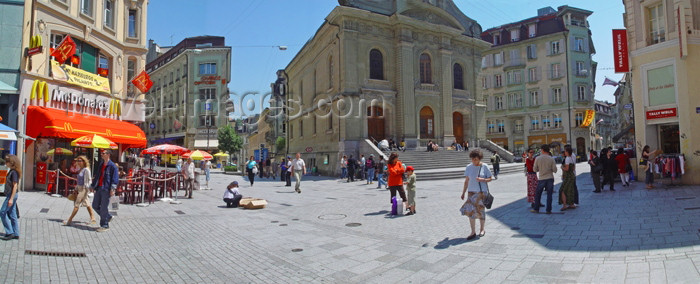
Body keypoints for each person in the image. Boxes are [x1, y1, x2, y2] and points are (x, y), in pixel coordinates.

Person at [460, 150, 493, 240]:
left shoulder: (484, 166)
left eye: (476, 159)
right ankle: (472, 231)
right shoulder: (469, 167)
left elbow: (490, 178)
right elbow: (466, 181)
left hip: (482, 193)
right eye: (472, 159)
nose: (474, 161)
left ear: (479, 159)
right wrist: (463, 193)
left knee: (481, 211)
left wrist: (483, 179)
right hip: (471, 193)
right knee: (471, 212)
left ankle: (482, 229)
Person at [91, 150, 119, 232]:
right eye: (101, 153)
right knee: (95, 205)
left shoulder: (112, 166)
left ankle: (104, 225)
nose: (101, 155)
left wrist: (113, 189)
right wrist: (93, 186)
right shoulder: (101, 164)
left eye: (103, 153)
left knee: (103, 207)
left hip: (106, 189)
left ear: (108, 155)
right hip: (99, 188)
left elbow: (115, 179)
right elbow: (97, 176)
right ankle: (108, 216)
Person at [63, 156, 96, 226]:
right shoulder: (80, 169)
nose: (78, 162)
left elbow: (89, 180)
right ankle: (93, 218)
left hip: (84, 189)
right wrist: (76, 189)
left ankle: (69, 220)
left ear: (84, 161)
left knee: (76, 205)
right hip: (80, 188)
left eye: (80, 160)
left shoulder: (86, 170)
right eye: (78, 160)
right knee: (87, 204)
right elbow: (79, 181)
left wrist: (87, 188)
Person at [531, 144, 557, 214]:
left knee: (538, 194)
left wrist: (540, 169)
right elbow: (555, 170)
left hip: (541, 178)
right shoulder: (551, 159)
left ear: (542, 150)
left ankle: (536, 208)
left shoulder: (537, 158)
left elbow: (534, 169)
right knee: (549, 195)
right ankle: (548, 210)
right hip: (550, 178)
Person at [1, 155, 21, 240]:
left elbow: (15, 185)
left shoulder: (13, 173)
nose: (6, 163)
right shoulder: (13, 171)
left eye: (7, 161)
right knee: (12, 214)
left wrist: (11, 199)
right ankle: (16, 233)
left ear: (11, 163)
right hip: (12, 194)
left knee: (2, 212)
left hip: (11, 195)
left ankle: (10, 232)